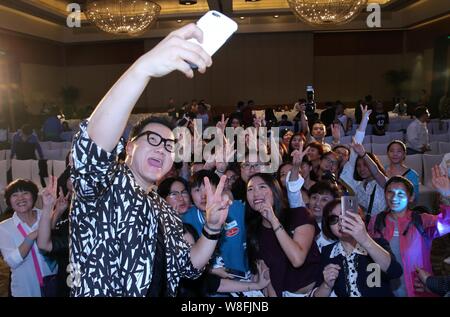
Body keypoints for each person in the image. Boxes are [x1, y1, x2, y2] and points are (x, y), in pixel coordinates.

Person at [69, 23, 232, 297]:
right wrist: (142, 69)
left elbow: (188, 267)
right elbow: (92, 149)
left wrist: (212, 228)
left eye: (169, 145)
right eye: (152, 140)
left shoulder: (164, 210)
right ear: (129, 147)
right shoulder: (104, 185)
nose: (161, 149)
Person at [368, 172, 450, 297]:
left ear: (411, 197)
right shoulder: (376, 221)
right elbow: (371, 259)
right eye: (390, 192)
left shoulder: (422, 220)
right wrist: (372, 288)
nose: (394, 197)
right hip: (386, 290)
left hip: (418, 290)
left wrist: (447, 196)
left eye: (400, 193)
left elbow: (447, 223)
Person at [245, 173, 321, 297]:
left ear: (275, 190)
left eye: (262, 187)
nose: (255, 193)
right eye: (250, 189)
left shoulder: (300, 215)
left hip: (317, 291)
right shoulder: (254, 230)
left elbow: (297, 259)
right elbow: (267, 277)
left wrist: (274, 220)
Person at [313, 199, 403, 297]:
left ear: (359, 218)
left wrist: (364, 239)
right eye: (333, 219)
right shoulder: (328, 252)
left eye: (347, 217)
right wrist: (326, 285)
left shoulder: (377, 244)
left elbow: (395, 271)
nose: (341, 222)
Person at [0, 179, 58, 297]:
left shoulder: (46, 215)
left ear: (34, 197)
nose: (20, 198)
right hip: (25, 289)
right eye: (15, 195)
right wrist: (32, 236)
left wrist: (55, 214)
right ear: (9, 201)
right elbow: (12, 261)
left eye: (25, 193)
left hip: (54, 284)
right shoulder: (4, 227)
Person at [340, 105, 387, 220]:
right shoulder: (359, 187)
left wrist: (364, 119)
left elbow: (357, 141)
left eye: (365, 165)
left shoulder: (382, 181)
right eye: (359, 166)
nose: (362, 169)